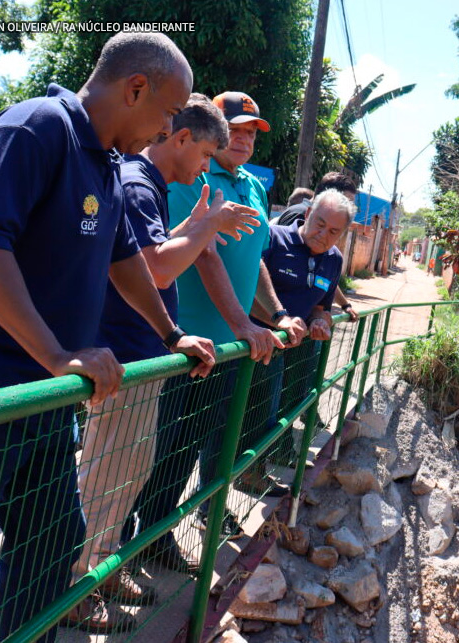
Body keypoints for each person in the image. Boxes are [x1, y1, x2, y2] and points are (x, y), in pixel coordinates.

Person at [0, 33, 219, 641]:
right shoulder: (37, 127)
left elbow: (124, 259)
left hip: (44, 399)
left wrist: (171, 333)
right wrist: (57, 354)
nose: (164, 131)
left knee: (55, 549)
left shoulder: (105, 163)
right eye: (164, 114)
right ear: (135, 89)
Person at [69, 94, 260, 620]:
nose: (204, 167)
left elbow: (148, 255)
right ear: (181, 139)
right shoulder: (136, 183)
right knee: (109, 473)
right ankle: (76, 584)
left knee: (127, 470)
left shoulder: (149, 186)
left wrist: (196, 229)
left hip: (137, 355)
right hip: (123, 357)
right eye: (203, 155)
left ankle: (100, 568)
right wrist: (205, 229)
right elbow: (153, 270)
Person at [129, 91, 306, 572]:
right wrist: (242, 323)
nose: (245, 139)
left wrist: (276, 314)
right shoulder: (195, 175)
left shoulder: (252, 185)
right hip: (188, 342)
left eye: (252, 132)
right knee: (160, 451)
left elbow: (255, 260)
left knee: (196, 445)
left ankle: (160, 533)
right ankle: (138, 542)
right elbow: (202, 252)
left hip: (228, 345)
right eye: (238, 130)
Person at [251, 189, 355, 440]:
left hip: (290, 351)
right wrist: (280, 321)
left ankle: (259, 472)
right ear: (308, 213)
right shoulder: (273, 239)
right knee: (240, 422)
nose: (323, 235)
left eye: (333, 232)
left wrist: (320, 321)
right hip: (249, 347)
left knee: (275, 415)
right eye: (320, 224)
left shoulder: (334, 260)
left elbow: (323, 307)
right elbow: (245, 293)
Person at [273, 171, 360, 321]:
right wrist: (280, 319)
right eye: (347, 200)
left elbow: (322, 280)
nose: (347, 206)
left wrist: (322, 315)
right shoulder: (291, 222)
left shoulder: (333, 257)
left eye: (333, 231)